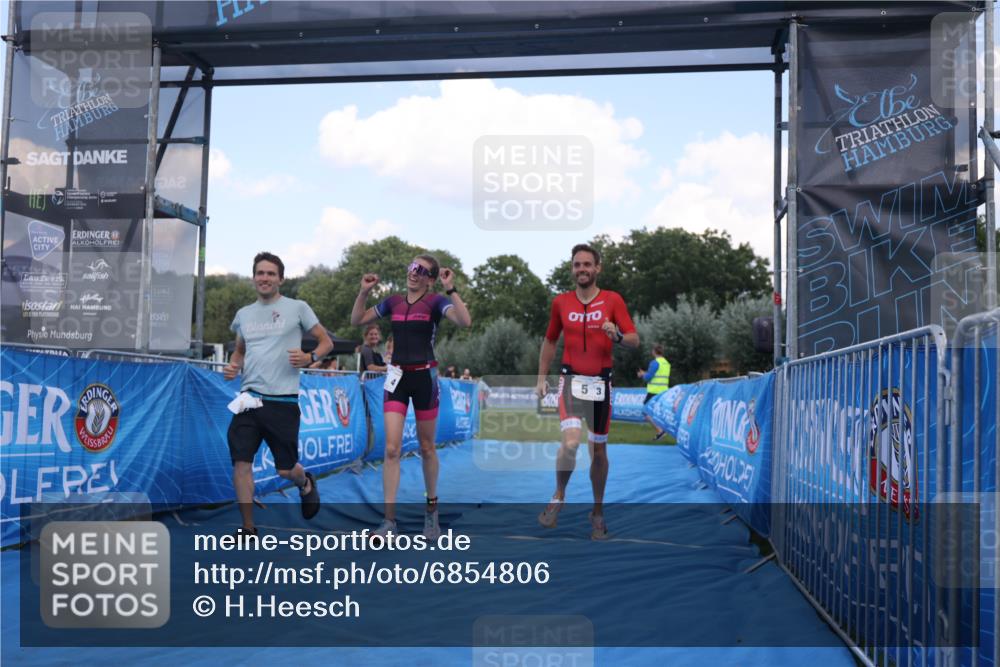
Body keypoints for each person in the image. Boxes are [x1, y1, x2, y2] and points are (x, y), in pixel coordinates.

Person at [351, 254, 472, 541]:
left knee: (427, 447)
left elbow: (465, 322)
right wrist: (364, 292)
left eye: (420, 270)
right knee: (391, 449)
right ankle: (389, 521)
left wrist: (451, 289)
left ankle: (432, 511)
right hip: (397, 379)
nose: (413, 273)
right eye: (411, 267)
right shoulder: (393, 302)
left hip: (425, 379)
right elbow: (357, 319)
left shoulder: (436, 302)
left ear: (430, 279)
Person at [223, 252, 332, 535]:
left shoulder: (297, 307)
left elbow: (326, 342)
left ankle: (305, 481)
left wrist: (310, 357)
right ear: (253, 277)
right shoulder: (243, 315)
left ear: (280, 279)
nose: (265, 278)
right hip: (248, 400)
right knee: (241, 462)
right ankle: (248, 527)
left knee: (285, 470)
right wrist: (234, 366)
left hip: (282, 402)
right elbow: (240, 350)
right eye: (260, 273)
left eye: (271, 273)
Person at [535, 243, 639, 540]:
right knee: (570, 444)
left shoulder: (612, 300)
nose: (582, 269)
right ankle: (558, 495)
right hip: (570, 381)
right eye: (577, 264)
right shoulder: (561, 302)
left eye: (587, 264)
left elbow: (634, 339)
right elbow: (550, 341)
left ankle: (597, 512)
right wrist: (541, 377)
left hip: (601, 384)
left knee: (599, 450)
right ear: (573, 268)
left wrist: (617, 335)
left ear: (598, 268)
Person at [637, 344, 671, 440]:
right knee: (658, 412)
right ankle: (662, 430)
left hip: (654, 391)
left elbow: (648, 378)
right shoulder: (667, 363)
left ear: (654, 352)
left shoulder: (654, 362)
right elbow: (657, 375)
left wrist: (641, 375)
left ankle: (660, 431)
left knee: (645, 411)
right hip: (664, 391)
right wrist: (645, 373)